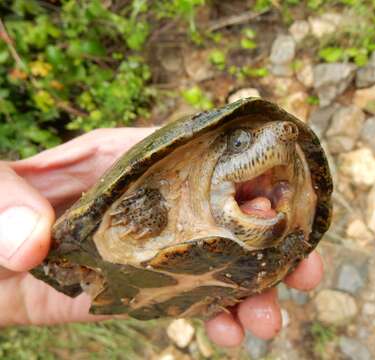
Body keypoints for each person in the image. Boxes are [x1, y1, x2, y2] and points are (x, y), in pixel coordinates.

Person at [0, 128, 323, 347]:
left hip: (206, 288)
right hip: (105, 268)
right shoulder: (159, 196)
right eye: (240, 144)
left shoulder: (286, 216)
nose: (271, 147)